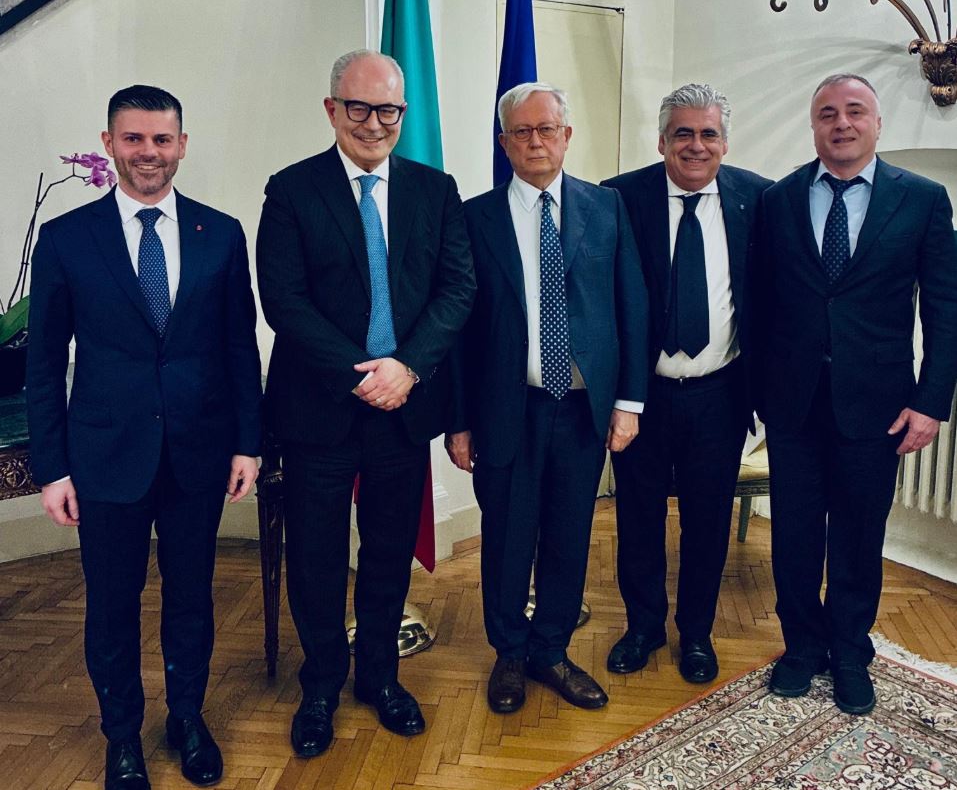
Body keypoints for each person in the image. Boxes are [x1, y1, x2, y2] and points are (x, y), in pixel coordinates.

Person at [27, 85, 262, 790]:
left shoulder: (221, 233)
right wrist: (52, 468)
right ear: (108, 144)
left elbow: (239, 347)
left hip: (199, 453)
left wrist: (247, 443)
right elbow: (44, 363)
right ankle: (122, 736)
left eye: (162, 139)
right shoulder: (66, 238)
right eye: (133, 139)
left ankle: (187, 718)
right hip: (104, 458)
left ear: (182, 145)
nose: (148, 153)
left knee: (192, 597)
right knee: (112, 604)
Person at [256, 49, 474, 755]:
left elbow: (456, 289)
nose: (374, 123)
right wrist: (360, 375)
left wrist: (407, 368)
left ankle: (379, 676)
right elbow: (283, 301)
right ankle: (320, 683)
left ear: (402, 113)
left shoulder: (435, 190)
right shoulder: (291, 190)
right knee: (316, 556)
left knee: (387, 552)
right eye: (359, 107)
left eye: (389, 110)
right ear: (332, 109)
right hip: (319, 409)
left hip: (403, 409)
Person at [446, 82, 649, 713]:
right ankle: (509, 653)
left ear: (566, 136)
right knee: (507, 538)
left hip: (584, 410)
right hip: (506, 409)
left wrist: (629, 402)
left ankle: (551, 650)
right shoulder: (474, 217)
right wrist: (459, 421)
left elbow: (632, 306)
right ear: (504, 142)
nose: (535, 141)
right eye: (522, 131)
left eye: (547, 129)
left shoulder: (606, 207)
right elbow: (459, 329)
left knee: (569, 533)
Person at [758, 73, 957, 714]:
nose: (841, 123)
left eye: (854, 111)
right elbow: (762, 306)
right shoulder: (779, 199)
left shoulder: (922, 200)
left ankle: (849, 652)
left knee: (858, 534)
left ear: (877, 123)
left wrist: (931, 402)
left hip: (879, 405)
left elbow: (946, 309)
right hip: (793, 404)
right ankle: (800, 647)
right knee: (792, 534)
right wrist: (760, 392)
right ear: (813, 125)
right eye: (827, 113)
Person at [601, 84, 770, 685]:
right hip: (640, 396)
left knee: (708, 522)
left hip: (720, 394)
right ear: (662, 141)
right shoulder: (620, 197)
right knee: (637, 518)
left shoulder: (759, 199)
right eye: (683, 134)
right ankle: (643, 627)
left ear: (725, 141)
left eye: (708, 134)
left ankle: (696, 633)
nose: (696, 146)